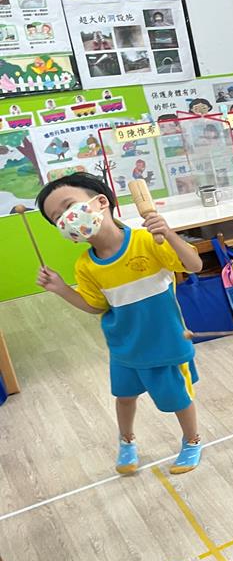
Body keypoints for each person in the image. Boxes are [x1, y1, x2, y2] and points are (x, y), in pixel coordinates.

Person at [35, 173, 205, 475]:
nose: (65, 218)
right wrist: (61, 289)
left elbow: (194, 265)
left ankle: (192, 440)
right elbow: (96, 306)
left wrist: (168, 233)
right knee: (124, 398)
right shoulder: (85, 265)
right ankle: (126, 441)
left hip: (165, 344)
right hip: (124, 347)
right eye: (57, 218)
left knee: (178, 398)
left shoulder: (146, 240)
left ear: (101, 202)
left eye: (68, 206)